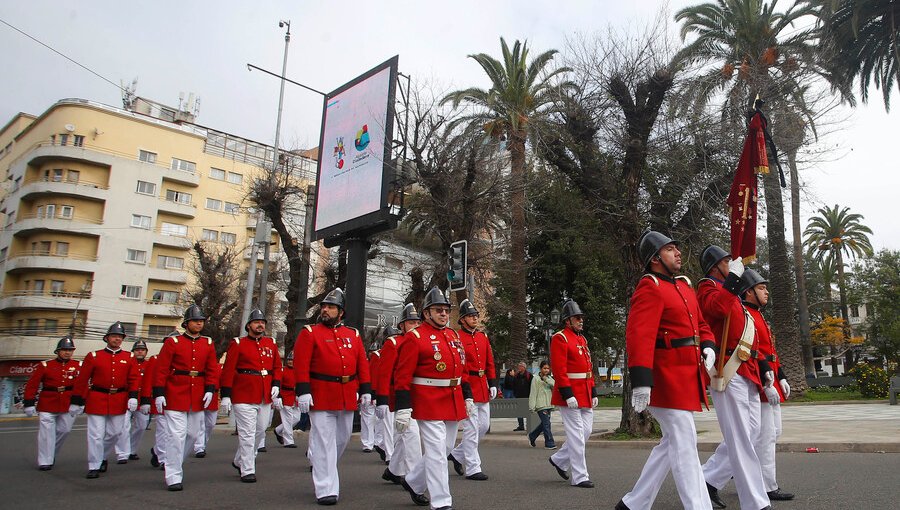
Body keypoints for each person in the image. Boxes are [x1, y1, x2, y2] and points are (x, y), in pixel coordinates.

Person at [616, 231, 716, 510]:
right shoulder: (649, 287)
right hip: (664, 377)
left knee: (672, 441)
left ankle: (634, 503)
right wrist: (642, 382)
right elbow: (639, 336)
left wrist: (708, 345)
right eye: (670, 249)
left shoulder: (684, 286)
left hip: (686, 375)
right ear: (655, 258)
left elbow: (702, 325)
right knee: (685, 440)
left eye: (676, 248)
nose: (678, 253)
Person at [702, 269, 794, 506]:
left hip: (756, 373)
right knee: (751, 436)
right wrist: (767, 379)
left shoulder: (754, 316)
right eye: (761, 288)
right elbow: (754, 351)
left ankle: (710, 479)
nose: (766, 292)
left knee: (756, 435)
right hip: (743, 372)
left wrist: (779, 375)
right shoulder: (738, 310)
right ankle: (760, 486)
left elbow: (766, 352)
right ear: (749, 291)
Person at [696, 245, 772, 510]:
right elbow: (716, 310)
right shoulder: (708, 287)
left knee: (749, 434)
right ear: (716, 266)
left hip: (744, 368)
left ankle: (707, 480)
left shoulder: (731, 291)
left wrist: (764, 368)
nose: (733, 263)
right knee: (741, 438)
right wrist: (731, 283)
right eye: (727, 260)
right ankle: (756, 502)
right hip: (727, 368)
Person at [393, 286, 471, 510]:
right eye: (438, 310)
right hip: (427, 400)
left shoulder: (453, 335)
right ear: (426, 313)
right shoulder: (415, 337)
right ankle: (441, 501)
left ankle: (414, 481)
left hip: (453, 399)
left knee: (444, 449)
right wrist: (403, 408)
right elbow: (402, 376)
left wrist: (468, 396)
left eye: (446, 310)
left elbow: (461, 370)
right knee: (437, 453)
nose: (444, 314)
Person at [293, 288, 371, 506]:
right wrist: (303, 391)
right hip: (321, 394)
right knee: (324, 441)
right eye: (324, 307)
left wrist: (365, 389)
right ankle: (326, 488)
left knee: (342, 439)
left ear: (341, 312)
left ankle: (320, 463)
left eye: (331, 307)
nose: (325, 310)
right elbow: (301, 364)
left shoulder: (352, 334)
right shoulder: (310, 332)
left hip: (346, 394)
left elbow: (362, 364)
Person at [153, 305, 219, 491]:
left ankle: (172, 462)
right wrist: (159, 393)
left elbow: (212, 368)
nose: (199, 323)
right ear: (186, 323)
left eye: (201, 321)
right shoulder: (173, 343)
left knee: (192, 434)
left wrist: (210, 389)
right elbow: (162, 369)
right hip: (175, 392)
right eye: (195, 320)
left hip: (197, 393)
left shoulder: (207, 343)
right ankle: (173, 475)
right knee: (176, 435)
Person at [70, 322, 141, 479]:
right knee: (95, 434)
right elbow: (82, 379)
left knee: (115, 433)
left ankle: (102, 455)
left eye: (120, 337)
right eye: (114, 336)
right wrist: (76, 400)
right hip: (97, 397)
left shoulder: (129, 357)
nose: (117, 339)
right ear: (107, 338)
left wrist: (133, 396)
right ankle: (94, 465)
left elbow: (134, 378)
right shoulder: (94, 356)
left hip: (119, 399)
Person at [219, 308, 282, 483]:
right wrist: (226, 394)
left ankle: (239, 460)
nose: (260, 325)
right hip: (243, 394)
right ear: (249, 326)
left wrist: (276, 384)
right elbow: (228, 370)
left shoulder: (270, 343)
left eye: (262, 322)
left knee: (260, 430)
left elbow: (277, 366)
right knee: (247, 433)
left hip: (264, 393)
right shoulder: (238, 343)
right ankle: (247, 469)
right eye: (256, 322)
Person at [547, 298, 597, 489]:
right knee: (576, 435)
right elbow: (559, 370)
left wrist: (593, 391)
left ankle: (559, 459)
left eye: (581, 318)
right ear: (567, 320)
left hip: (584, 391)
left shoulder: (581, 339)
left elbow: (589, 368)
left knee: (586, 431)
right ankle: (580, 476)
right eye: (577, 318)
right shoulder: (560, 338)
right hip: (569, 393)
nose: (580, 321)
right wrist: (568, 394)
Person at [448, 298, 497, 481]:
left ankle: (457, 454)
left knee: (483, 426)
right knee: (470, 429)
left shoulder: (482, 337)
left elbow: (490, 362)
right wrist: (466, 390)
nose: (475, 318)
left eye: (475, 315)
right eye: (470, 316)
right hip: (467, 387)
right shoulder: (457, 337)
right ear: (462, 319)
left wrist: (493, 383)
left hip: (482, 385)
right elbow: (460, 366)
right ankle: (473, 467)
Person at [376, 305, 423, 485]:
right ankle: (414, 479)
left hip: (419, 396)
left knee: (405, 436)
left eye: (418, 322)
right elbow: (384, 373)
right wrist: (382, 399)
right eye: (411, 322)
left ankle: (393, 470)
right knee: (411, 435)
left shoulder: (422, 341)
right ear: (402, 326)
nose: (416, 325)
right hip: (400, 397)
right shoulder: (393, 343)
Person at [23, 335, 80, 470]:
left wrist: (80, 402)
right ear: (58, 351)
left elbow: (81, 386)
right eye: (64, 350)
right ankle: (45, 460)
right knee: (46, 433)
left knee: (64, 430)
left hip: (67, 403)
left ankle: (51, 453)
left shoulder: (78, 365)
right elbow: (32, 385)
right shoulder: (45, 365)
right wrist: (29, 403)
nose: (67, 352)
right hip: (48, 402)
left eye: (70, 350)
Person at [115, 339, 150, 463]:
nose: (140, 352)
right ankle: (122, 454)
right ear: (133, 351)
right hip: (126, 399)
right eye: (137, 349)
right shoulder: (127, 363)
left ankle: (132, 450)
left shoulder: (149, 365)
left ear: (146, 352)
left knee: (141, 426)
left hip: (142, 400)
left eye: (142, 350)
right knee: (123, 427)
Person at [193, 358, 221, 458]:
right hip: (201, 395)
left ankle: (203, 443)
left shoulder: (218, 367)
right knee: (201, 424)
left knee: (210, 424)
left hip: (214, 396)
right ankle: (199, 447)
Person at [527, 360, 556, 449]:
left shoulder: (549, 378)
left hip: (549, 404)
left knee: (544, 424)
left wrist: (546, 379)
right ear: (541, 368)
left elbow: (554, 385)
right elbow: (533, 392)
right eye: (544, 368)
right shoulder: (535, 378)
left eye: (548, 368)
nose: (546, 370)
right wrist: (532, 406)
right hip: (540, 405)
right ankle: (549, 443)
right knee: (547, 424)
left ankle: (532, 436)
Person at [274, 350, 300, 448]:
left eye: (292, 360)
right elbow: (278, 384)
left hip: (295, 396)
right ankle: (288, 441)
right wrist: (278, 396)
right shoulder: (282, 370)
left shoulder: (298, 371)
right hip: (285, 396)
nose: (290, 362)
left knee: (297, 418)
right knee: (288, 419)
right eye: (289, 360)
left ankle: (278, 430)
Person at [512, 362, 532, 430]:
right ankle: (521, 426)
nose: (519, 368)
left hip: (527, 396)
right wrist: (515, 393)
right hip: (518, 396)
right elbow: (514, 385)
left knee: (527, 411)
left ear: (524, 367)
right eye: (519, 366)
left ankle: (529, 425)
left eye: (520, 366)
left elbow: (531, 386)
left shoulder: (529, 375)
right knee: (519, 411)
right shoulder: (516, 376)